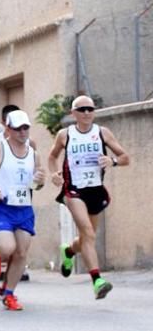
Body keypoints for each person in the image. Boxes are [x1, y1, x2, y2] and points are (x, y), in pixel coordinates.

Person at [48, 95, 130, 299]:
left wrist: (112, 161)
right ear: (73, 113)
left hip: (95, 190)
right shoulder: (65, 135)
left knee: (87, 236)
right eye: (82, 109)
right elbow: (52, 157)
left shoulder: (102, 133)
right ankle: (97, 281)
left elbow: (125, 157)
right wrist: (53, 174)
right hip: (73, 190)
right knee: (88, 233)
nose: (86, 113)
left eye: (90, 109)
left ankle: (68, 251)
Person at [0, 110, 45, 310]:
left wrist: (40, 182)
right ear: (8, 129)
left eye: (26, 128)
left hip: (24, 209)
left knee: (21, 252)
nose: (23, 132)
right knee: (7, 249)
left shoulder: (34, 154)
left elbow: (35, 185)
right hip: (4, 207)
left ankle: (9, 293)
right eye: (18, 129)